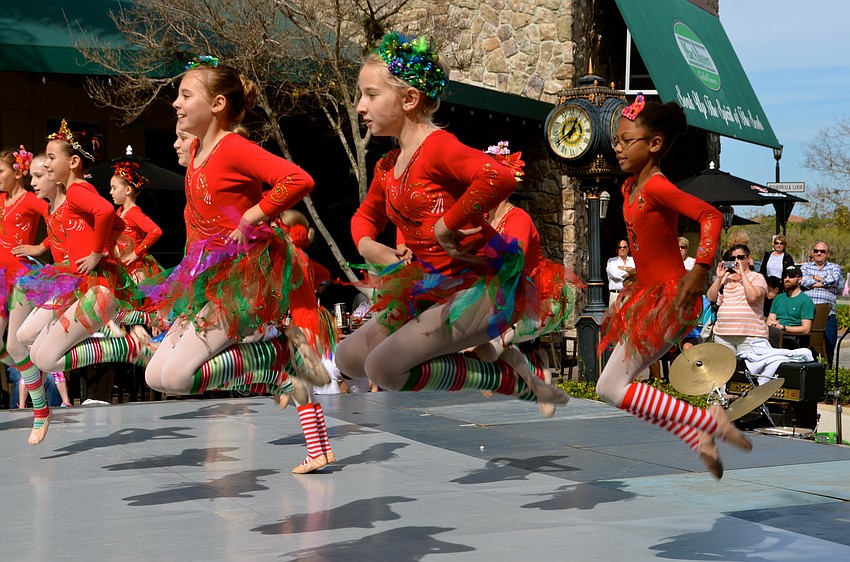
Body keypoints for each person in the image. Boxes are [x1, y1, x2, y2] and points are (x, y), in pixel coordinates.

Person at [334, 32, 568, 413]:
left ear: (409, 99)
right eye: (361, 95)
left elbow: (499, 177)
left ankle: (510, 378)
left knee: (383, 368)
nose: (361, 106)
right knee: (348, 357)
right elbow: (364, 217)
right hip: (431, 288)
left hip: (481, 288)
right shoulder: (387, 166)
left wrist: (447, 225)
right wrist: (367, 244)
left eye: (371, 95)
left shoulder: (438, 148)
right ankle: (493, 362)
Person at [141, 58, 326, 424]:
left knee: (178, 376)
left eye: (185, 94)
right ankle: (298, 406)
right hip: (208, 282)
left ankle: (279, 357)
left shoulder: (233, 147)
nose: (176, 103)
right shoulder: (195, 153)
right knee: (155, 376)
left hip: (243, 280)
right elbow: (197, 230)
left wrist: (250, 217)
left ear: (217, 105)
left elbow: (298, 179)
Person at [596, 94, 751, 480]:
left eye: (625, 140)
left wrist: (700, 267)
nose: (617, 147)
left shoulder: (658, 187)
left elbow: (710, 216)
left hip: (673, 299)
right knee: (609, 386)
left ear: (654, 144)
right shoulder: (629, 187)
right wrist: (639, 274)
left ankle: (708, 420)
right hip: (650, 297)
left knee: (611, 386)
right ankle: (698, 432)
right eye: (617, 140)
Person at [706, 244, 769, 356]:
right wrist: (719, 277)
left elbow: (753, 297)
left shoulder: (757, 277)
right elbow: (711, 297)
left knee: (748, 371)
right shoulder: (726, 278)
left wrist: (743, 275)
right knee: (725, 371)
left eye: (740, 257)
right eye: (733, 258)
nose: (737, 261)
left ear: (749, 259)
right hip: (723, 334)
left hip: (750, 336)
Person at [109, 161, 163, 282]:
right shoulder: (119, 212)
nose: (111, 192)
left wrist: (135, 253)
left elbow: (155, 231)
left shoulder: (133, 213)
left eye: (114, 188)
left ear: (128, 190)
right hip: (123, 265)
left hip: (136, 268)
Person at [800, 241, 843, 366]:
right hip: (807, 313)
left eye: (822, 251)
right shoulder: (806, 266)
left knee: (828, 347)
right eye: (816, 251)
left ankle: (827, 372)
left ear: (828, 253)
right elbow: (802, 281)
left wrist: (812, 279)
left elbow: (833, 279)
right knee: (806, 346)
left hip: (828, 314)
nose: (818, 253)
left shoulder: (834, 267)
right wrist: (821, 280)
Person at [766, 265, 815, 348]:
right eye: (785, 276)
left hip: (792, 337)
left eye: (791, 276)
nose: (787, 279)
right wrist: (773, 324)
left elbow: (806, 329)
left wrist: (783, 327)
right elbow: (769, 320)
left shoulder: (806, 301)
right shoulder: (778, 298)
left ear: (800, 279)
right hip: (774, 333)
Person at [606, 239, 634, 305]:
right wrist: (631, 272)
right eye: (620, 247)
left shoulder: (633, 260)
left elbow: (638, 272)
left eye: (624, 247)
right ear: (616, 250)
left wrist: (623, 268)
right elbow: (616, 275)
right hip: (616, 296)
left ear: (628, 249)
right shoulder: (612, 261)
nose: (622, 249)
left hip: (630, 295)